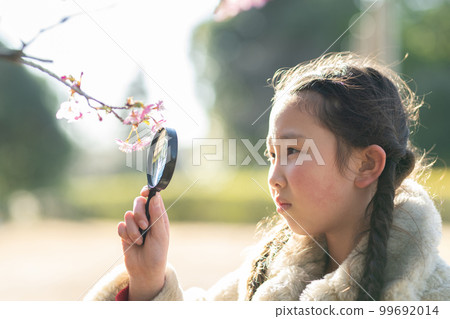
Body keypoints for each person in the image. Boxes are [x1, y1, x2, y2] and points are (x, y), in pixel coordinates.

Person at [84, 52, 450, 301]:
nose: (274, 177)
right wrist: (149, 282)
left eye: (294, 152)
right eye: (272, 155)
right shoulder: (261, 276)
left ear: (367, 164)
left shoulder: (436, 295)